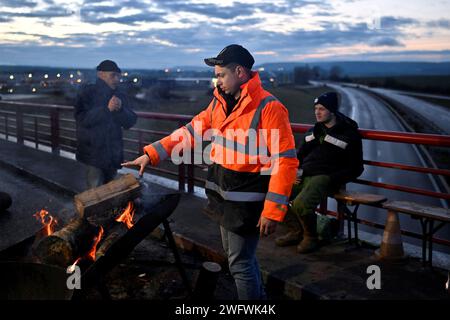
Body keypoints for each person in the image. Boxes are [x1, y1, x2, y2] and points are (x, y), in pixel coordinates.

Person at [122, 44, 299, 299]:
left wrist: (272, 211)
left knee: (239, 264)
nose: (217, 80)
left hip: (246, 202)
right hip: (223, 196)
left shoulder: (269, 107)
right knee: (240, 258)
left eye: (221, 74)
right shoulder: (218, 104)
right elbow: (189, 132)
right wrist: (151, 154)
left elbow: (286, 162)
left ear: (239, 72)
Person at [275, 92, 364, 253]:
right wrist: (294, 171)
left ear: (332, 111)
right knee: (276, 194)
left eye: (322, 109)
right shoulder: (313, 132)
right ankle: (296, 231)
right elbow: (299, 156)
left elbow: (356, 168)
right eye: (316, 108)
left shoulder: (349, 134)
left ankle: (311, 237)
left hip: (326, 178)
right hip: (305, 175)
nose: (317, 112)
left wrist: (332, 179)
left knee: (301, 204)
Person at [75, 60, 137, 189]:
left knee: (111, 194)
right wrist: (106, 109)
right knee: (95, 195)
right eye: (113, 75)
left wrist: (120, 110)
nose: (117, 79)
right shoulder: (87, 93)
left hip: (112, 155)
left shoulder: (120, 94)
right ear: (100, 74)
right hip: (93, 155)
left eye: (118, 76)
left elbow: (130, 122)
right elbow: (83, 120)